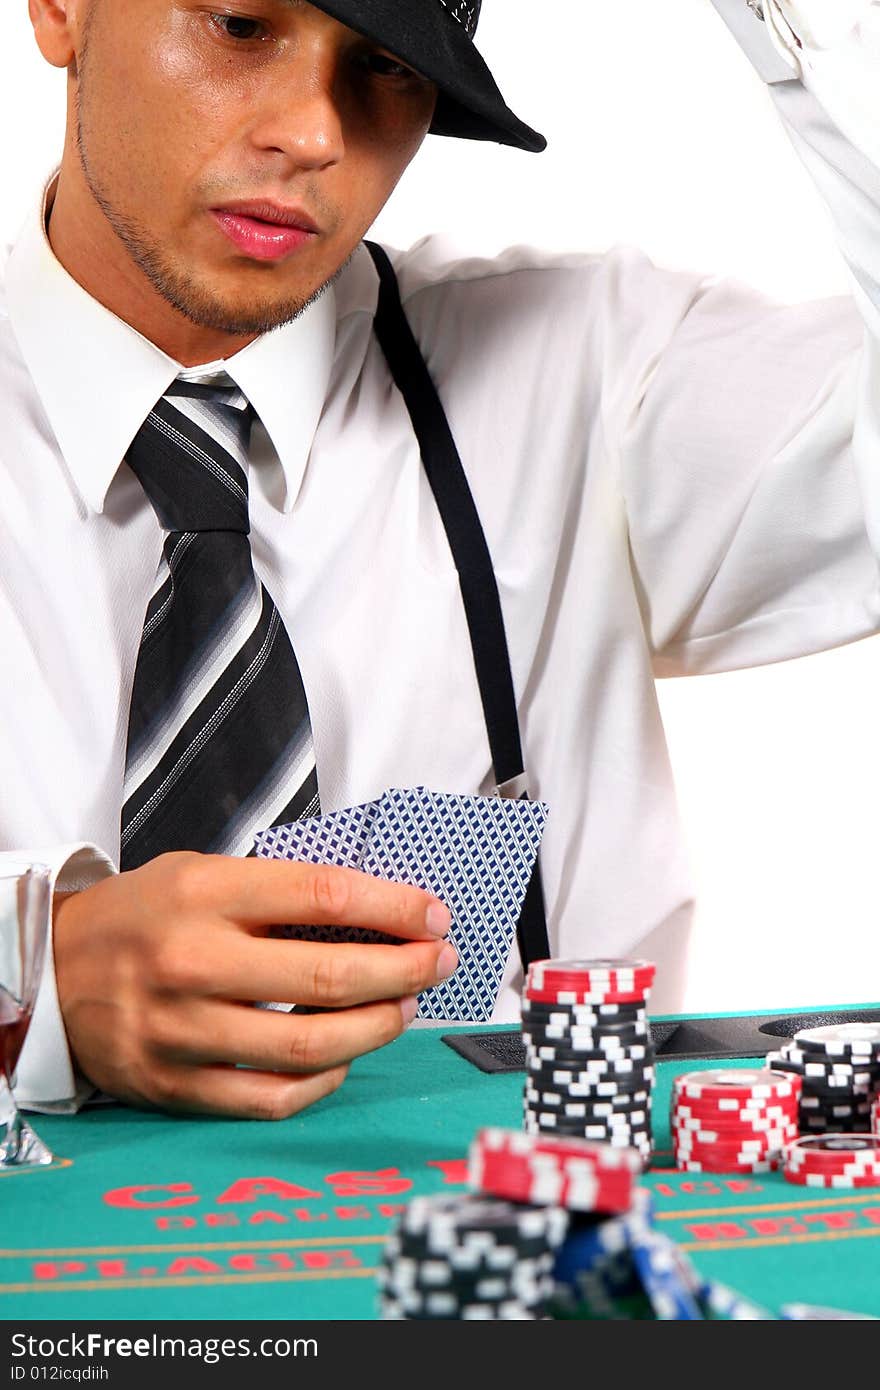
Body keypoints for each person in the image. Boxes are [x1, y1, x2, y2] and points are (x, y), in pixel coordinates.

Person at [3, 0, 880, 1121]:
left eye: (384, 66)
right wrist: (35, 969)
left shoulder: (584, 372)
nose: (313, 132)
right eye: (238, 25)